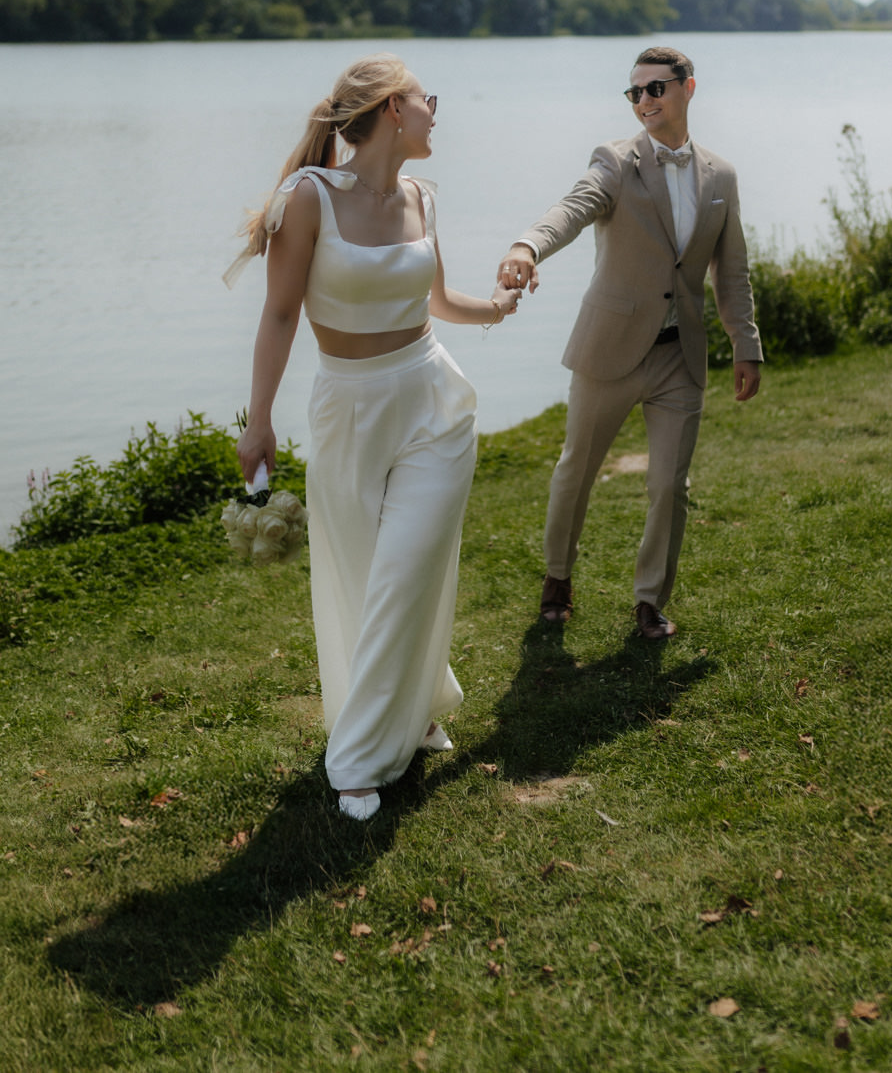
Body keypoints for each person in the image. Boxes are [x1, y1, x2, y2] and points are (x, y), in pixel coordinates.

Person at [229, 54, 521, 821]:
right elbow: (281, 314)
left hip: (433, 403)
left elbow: (435, 301)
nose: (436, 111)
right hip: (348, 412)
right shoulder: (308, 198)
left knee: (406, 570)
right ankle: (418, 703)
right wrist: (258, 420)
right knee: (364, 579)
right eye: (430, 99)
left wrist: (493, 307)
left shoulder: (423, 196)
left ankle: (357, 760)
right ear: (394, 108)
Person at [496, 46, 761, 639]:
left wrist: (746, 342)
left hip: (680, 356)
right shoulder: (614, 161)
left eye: (655, 89)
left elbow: (732, 268)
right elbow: (573, 206)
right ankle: (558, 578)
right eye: (634, 92)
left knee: (670, 484)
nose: (644, 101)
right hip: (610, 348)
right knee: (576, 470)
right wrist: (527, 246)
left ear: (688, 88)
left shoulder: (721, 175)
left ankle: (649, 602)